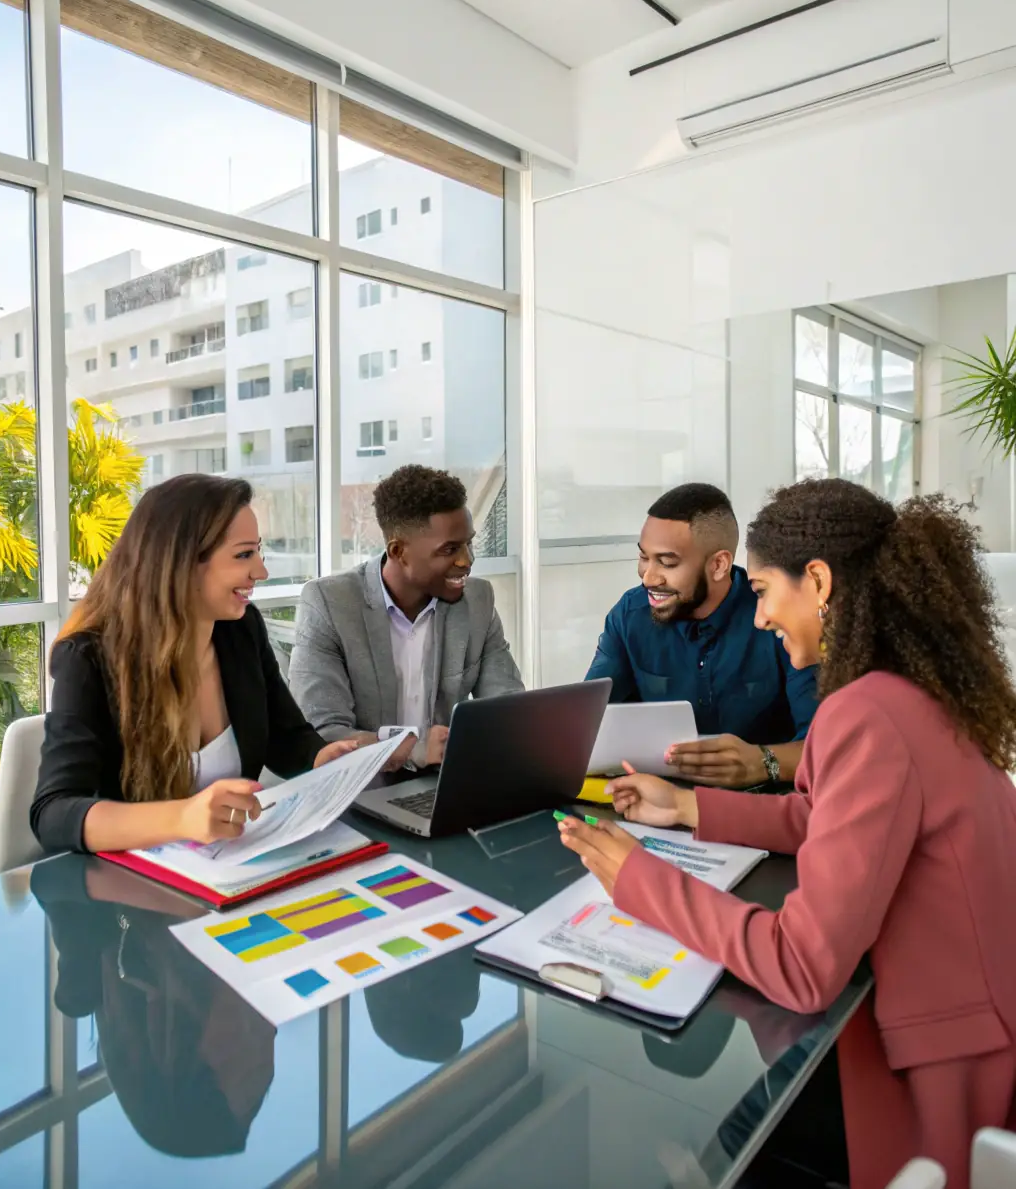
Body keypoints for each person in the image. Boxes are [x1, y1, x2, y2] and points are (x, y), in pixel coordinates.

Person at [559, 481, 1016, 1189]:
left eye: (766, 590)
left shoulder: (865, 713)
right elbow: (824, 816)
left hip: (944, 1067)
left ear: (820, 583)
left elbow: (802, 967)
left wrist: (638, 880)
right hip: (975, 1020)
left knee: (735, 1141)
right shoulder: (906, 689)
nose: (762, 614)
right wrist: (688, 807)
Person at [31, 475, 356, 856]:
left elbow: (286, 737)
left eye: (259, 552)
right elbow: (53, 813)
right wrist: (183, 818)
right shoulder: (86, 657)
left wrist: (321, 758)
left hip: (230, 868)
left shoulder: (241, 630)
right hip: (127, 882)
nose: (261, 572)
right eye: (243, 555)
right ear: (180, 563)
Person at [31, 852, 276, 1159]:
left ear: (174, 1047)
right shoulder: (260, 953)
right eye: (268, 1043)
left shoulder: (90, 973)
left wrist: (190, 903)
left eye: (240, 1047)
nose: (264, 1028)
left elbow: (50, 875)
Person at [290, 465, 523, 773]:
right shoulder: (330, 603)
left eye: (468, 543)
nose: (467, 560)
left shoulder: (477, 600)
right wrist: (413, 748)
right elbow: (322, 732)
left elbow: (509, 709)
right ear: (398, 551)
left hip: (444, 783)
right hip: (364, 786)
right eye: (450, 549)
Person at [586, 483, 817, 789]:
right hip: (659, 800)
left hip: (767, 801)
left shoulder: (776, 619)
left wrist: (761, 762)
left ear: (718, 565)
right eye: (644, 557)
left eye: (667, 562)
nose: (648, 577)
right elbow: (585, 724)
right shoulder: (629, 616)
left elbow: (825, 748)